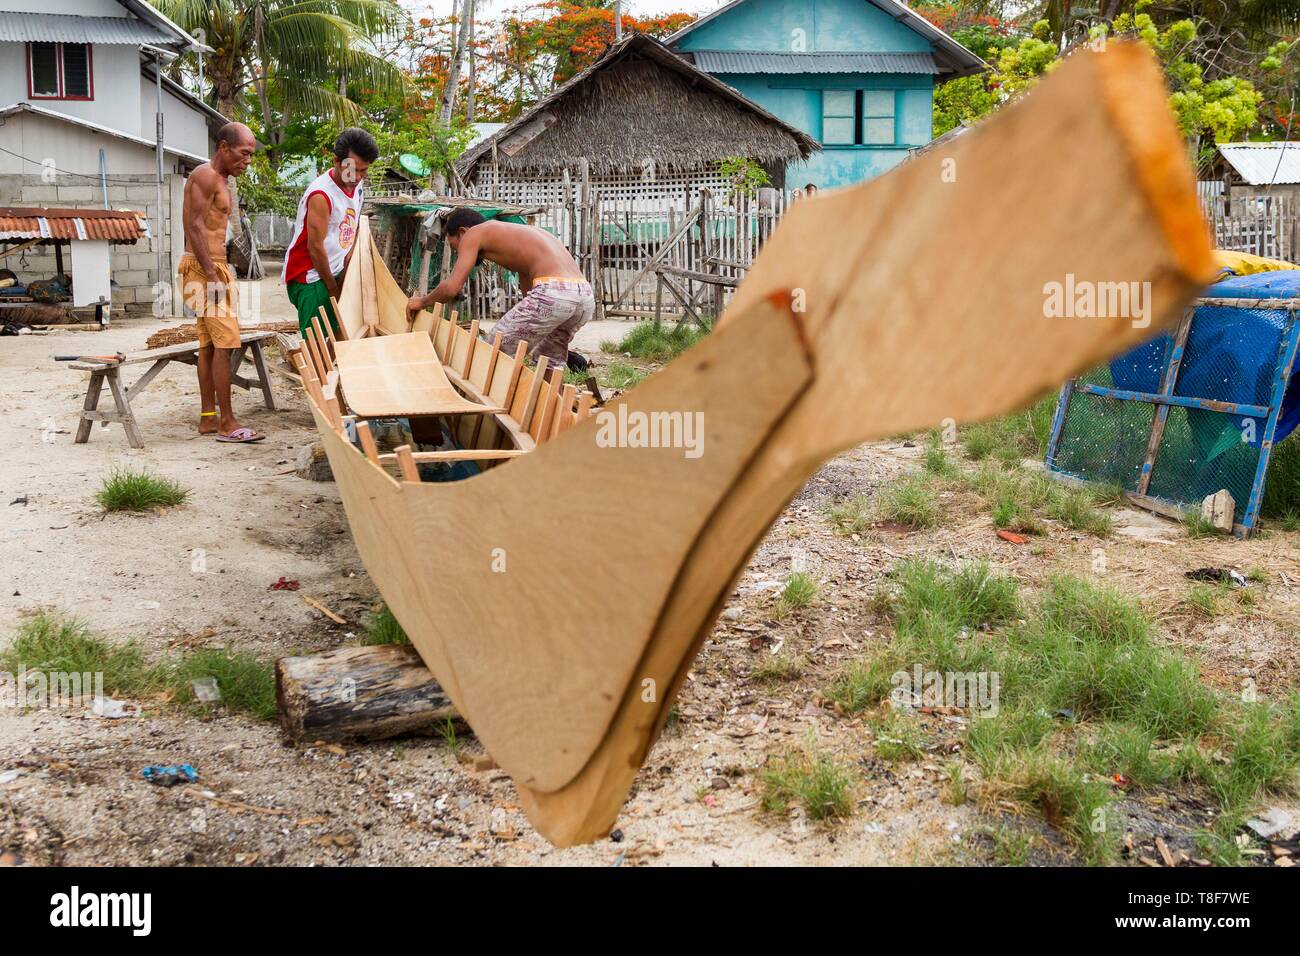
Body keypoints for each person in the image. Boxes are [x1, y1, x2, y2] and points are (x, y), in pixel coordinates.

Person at [405, 209, 593, 371]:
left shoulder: (474, 234)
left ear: (462, 232)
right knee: (549, 360)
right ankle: (554, 410)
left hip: (554, 292)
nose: (458, 252)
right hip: (584, 295)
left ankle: (481, 407)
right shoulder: (520, 237)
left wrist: (421, 302)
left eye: (455, 246)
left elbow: (452, 288)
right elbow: (529, 288)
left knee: (490, 353)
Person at [179, 121, 262, 443]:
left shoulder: (223, 180)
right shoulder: (206, 176)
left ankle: (208, 419)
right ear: (224, 147)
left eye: (251, 155)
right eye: (243, 154)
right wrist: (212, 275)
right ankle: (227, 422)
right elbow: (195, 226)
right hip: (204, 269)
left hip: (213, 266)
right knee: (226, 344)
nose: (248, 161)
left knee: (210, 347)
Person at [283, 128, 379, 338]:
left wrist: (349, 259)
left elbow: (353, 223)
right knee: (316, 344)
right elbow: (315, 248)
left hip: (336, 271)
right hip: (311, 276)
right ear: (336, 161)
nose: (358, 176)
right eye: (353, 170)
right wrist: (332, 287)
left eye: (364, 170)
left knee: (341, 334)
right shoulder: (321, 195)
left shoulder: (356, 184)